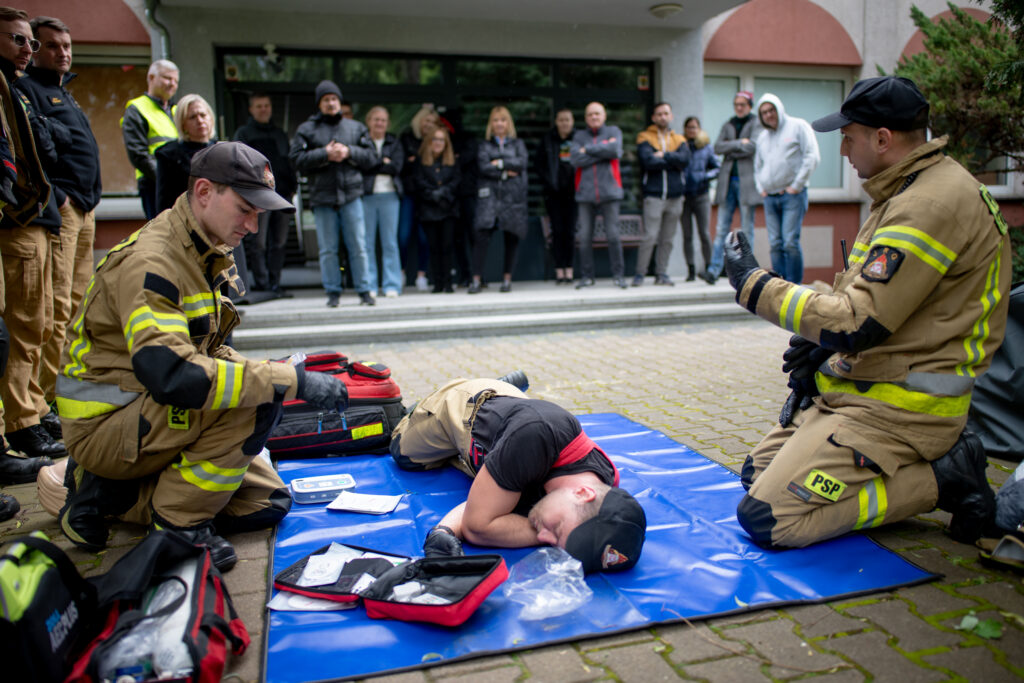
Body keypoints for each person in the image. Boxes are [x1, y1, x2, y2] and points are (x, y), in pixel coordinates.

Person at [723, 76, 1012, 550]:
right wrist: (821, 347)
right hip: (865, 389)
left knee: (769, 519)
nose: (842, 151)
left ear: (882, 138)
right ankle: (911, 470)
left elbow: (857, 321)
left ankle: (943, 477)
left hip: (900, 410)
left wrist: (755, 286)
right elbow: (874, 304)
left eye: (848, 137)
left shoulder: (927, 204)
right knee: (755, 473)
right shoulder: (907, 188)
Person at [53, 142, 350, 571]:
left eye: (259, 214)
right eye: (246, 209)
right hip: (106, 423)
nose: (252, 225)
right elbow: (174, 375)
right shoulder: (153, 263)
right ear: (205, 192)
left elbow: (206, 350)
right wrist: (287, 379)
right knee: (257, 401)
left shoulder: (201, 245)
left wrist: (277, 372)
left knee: (267, 503)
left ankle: (107, 494)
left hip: (142, 410)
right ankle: (176, 526)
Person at [389, 374, 647, 573]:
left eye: (553, 541)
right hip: (465, 407)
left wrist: (442, 532)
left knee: (489, 473)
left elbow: (484, 508)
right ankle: (420, 410)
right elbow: (478, 527)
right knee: (404, 454)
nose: (543, 538)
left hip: (507, 432)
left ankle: (503, 406)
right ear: (583, 493)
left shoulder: (596, 486)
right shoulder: (534, 439)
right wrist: (534, 531)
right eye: (555, 530)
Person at [21, 15, 101, 442]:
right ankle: (41, 400)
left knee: (75, 308)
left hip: (85, 211)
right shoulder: (26, 90)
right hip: (62, 211)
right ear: (35, 49)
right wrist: (59, 197)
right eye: (52, 46)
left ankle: (56, 393)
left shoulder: (61, 93)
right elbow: (36, 151)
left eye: (67, 46)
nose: (63, 53)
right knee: (50, 312)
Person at [0, 6, 65, 461]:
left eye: (31, 42)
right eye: (18, 39)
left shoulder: (14, 89)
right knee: (20, 329)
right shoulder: (14, 89)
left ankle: (32, 411)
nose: (28, 50)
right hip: (19, 220)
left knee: (41, 323)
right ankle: (21, 423)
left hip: (36, 216)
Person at [289, 80, 375, 308]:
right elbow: (296, 160)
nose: (331, 103)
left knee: (358, 245)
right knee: (328, 249)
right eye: (326, 100)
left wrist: (348, 152)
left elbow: (371, 158)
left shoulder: (355, 128)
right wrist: (324, 154)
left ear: (339, 101)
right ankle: (333, 292)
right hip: (322, 197)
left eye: (334, 99)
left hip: (351, 195)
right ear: (319, 104)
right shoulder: (306, 129)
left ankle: (364, 291)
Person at [233, 92, 298, 297]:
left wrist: (293, 186)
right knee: (258, 242)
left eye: (266, 106)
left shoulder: (280, 134)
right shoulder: (243, 134)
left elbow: (288, 163)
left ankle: (274, 283)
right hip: (258, 197)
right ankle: (261, 284)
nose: (263, 109)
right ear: (251, 109)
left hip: (283, 196)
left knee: (278, 242)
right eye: (259, 106)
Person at [753, 93, 819, 284]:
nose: (768, 115)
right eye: (764, 112)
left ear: (779, 109)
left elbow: (811, 156)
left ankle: (794, 284)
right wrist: (761, 188)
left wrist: (796, 186)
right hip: (770, 197)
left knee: (790, 242)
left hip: (792, 195)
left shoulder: (798, 126)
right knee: (775, 244)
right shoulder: (763, 137)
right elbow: (757, 166)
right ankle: (779, 284)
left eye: (771, 110)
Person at [703, 91, 759, 285]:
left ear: (749, 105)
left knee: (747, 229)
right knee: (721, 229)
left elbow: (752, 146)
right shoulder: (728, 124)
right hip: (727, 183)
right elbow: (717, 147)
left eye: (742, 104)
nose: (739, 107)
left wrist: (731, 147)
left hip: (746, 183)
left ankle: (748, 271)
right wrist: (738, 144)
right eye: (736, 104)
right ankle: (714, 270)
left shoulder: (755, 123)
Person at [469, 106, 527, 294]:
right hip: (489, 198)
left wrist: (498, 163)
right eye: (496, 120)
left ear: (508, 123)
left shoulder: (517, 144)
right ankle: (476, 280)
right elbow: (484, 166)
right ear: (491, 124)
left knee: (511, 237)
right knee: (481, 237)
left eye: (503, 120)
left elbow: (521, 164)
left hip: (512, 198)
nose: (499, 123)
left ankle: (507, 280)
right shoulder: (485, 145)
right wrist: (506, 171)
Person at [572, 102, 626, 289]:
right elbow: (575, 159)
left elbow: (615, 150)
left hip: (610, 192)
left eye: (597, 114)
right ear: (586, 118)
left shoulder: (613, 131)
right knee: (584, 237)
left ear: (604, 115)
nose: (594, 117)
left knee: (613, 235)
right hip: (585, 194)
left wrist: (587, 149)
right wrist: (603, 150)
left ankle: (619, 275)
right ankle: (587, 276)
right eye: (590, 114)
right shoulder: (579, 136)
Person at [633, 102, 688, 287]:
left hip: (675, 196)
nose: (662, 117)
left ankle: (661, 273)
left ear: (671, 116)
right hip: (654, 196)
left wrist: (663, 155)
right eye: (659, 114)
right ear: (653, 118)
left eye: (666, 113)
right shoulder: (644, 137)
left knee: (668, 239)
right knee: (650, 236)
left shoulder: (679, 139)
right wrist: (672, 159)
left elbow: (685, 160)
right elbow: (647, 162)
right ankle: (640, 274)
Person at [121, 59, 178, 220]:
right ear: (151, 78)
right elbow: (138, 155)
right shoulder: (137, 108)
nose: (172, 84)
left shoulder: (176, 110)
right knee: (162, 237)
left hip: (179, 186)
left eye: (175, 80)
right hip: (154, 185)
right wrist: (164, 179)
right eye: (167, 78)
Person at [358, 106, 403, 298]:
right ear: (369, 121)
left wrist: (376, 164)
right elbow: (362, 166)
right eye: (376, 119)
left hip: (390, 195)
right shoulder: (362, 142)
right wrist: (382, 162)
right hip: (367, 196)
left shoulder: (394, 142)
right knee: (366, 242)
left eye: (383, 120)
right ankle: (370, 284)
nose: (379, 123)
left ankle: (392, 284)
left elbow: (396, 166)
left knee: (390, 242)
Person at [410, 126, 459, 293]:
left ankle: (448, 282)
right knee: (434, 246)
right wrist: (433, 195)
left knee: (447, 245)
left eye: (441, 140)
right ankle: (437, 282)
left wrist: (443, 193)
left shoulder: (452, 162)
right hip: (428, 209)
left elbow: (456, 182)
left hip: (448, 209)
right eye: (435, 139)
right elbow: (418, 182)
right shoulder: (420, 161)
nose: (438, 143)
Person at [399, 105, 438, 292]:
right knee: (403, 236)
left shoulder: (435, 143)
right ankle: (401, 272)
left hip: (426, 196)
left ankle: (422, 275)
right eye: (426, 121)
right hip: (408, 193)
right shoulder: (407, 139)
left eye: (432, 122)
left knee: (425, 238)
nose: (428, 125)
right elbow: (402, 165)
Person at [535, 108, 576, 285]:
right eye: (561, 120)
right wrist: (548, 182)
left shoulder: (578, 140)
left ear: (572, 122)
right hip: (554, 194)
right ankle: (559, 271)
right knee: (558, 232)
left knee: (570, 232)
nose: (564, 123)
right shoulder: (547, 140)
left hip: (574, 194)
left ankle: (570, 270)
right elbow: (539, 165)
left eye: (567, 120)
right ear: (556, 122)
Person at [155, 94, 216, 212]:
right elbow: (164, 203)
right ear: (183, 124)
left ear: (210, 118)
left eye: (203, 115)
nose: (200, 120)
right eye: (192, 117)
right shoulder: (169, 155)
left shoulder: (223, 150)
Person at [680, 116, 720, 282]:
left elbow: (717, 167)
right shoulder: (680, 146)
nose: (691, 130)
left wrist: (704, 176)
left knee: (704, 232)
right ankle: (690, 269)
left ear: (699, 129)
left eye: (694, 127)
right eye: (689, 127)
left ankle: (709, 267)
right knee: (687, 235)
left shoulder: (706, 147)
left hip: (701, 194)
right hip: (684, 196)